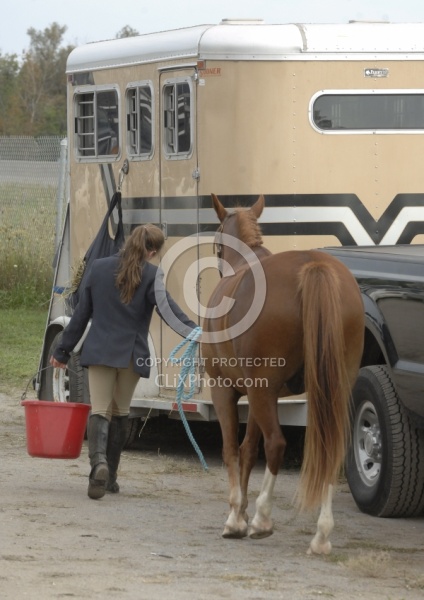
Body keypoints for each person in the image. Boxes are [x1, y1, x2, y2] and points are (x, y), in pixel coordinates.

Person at [50, 224, 198, 500]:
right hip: (132, 354)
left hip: (101, 352)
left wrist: (62, 352)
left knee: (100, 410)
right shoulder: (152, 275)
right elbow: (169, 311)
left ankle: (99, 466)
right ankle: (112, 478)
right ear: (151, 252)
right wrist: (194, 332)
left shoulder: (99, 268)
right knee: (120, 413)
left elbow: (81, 315)